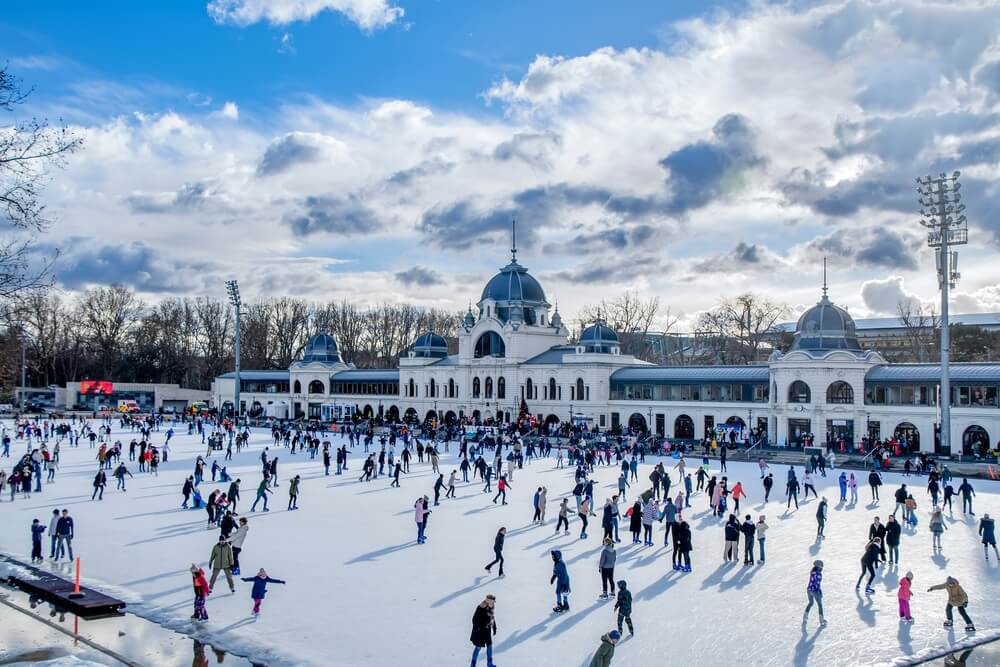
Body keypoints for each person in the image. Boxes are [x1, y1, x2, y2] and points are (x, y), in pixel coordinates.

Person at [470, 595, 497, 667]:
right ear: (489, 601)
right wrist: (478, 628)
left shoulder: (491, 607)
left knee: (489, 646)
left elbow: (492, 618)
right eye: (493, 601)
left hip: (487, 631)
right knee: (478, 647)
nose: (494, 603)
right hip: (480, 632)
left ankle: (489, 663)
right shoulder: (480, 608)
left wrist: (494, 627)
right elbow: (474, 619)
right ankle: (473, 664)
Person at [803, 560, 826, 626]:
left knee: (810, 603)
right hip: (815, 591)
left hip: (809, 590)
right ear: (818, 566)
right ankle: (821, 621)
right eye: (821, 567)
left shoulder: (812, 572)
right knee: (820, 605)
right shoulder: (819, 574)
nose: (822, 568)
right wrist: (819, 592)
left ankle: (805, 617)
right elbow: (817, 584)